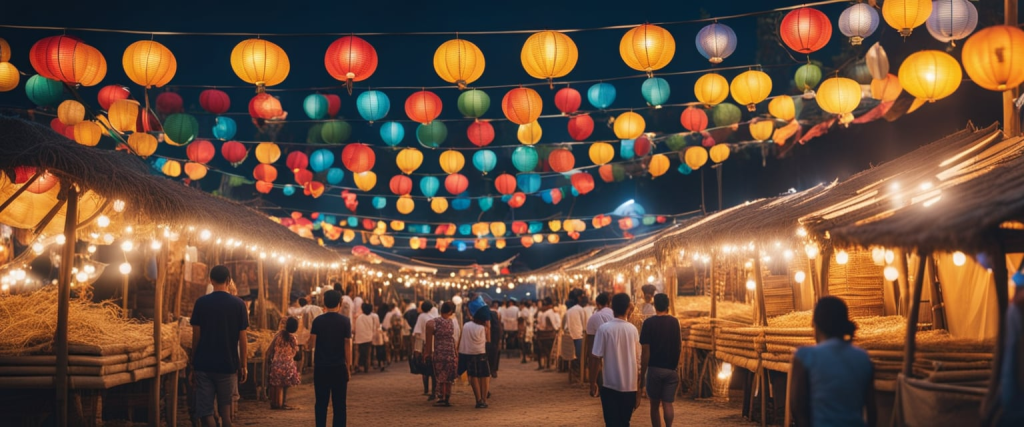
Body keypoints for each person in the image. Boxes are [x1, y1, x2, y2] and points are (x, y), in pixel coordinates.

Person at [789, 296, 876, 427]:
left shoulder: (805, 356)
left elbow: (798, 408)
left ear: (816, 326)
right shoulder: (863, 358)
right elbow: (872, 410)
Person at [190, 265, 248, 427]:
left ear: (211, 280)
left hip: (203, 364)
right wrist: (243, 365)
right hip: (227, 365)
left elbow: (196, 337)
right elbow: (242, 338)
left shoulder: (201, 303)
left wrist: (193, 363)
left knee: (205, 412)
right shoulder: (238, 304)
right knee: (226, 413)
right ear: (229, 281)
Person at [590, 293, 641, 427]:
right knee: (625, 422)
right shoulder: (633, 330)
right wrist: (639, 388)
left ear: (612, 308)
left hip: (610, 385)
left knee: (611, 423)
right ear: (629, 308)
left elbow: (596, 358)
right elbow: (638, 360)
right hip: (630, 386)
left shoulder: (604, 329)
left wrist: (592, 382)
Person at [308, 290, 352, 427]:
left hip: (321, 367)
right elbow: (347, 346)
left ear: (324, 303)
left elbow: (311, 344)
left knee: (321, 403)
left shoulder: (318, 321)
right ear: (339, 303)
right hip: (339, 367)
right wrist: (348, 367)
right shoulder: (345, 321)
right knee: (339, 404)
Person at [640, 294, 681, 427]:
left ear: (655, 305)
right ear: (667, 305)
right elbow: (679, 346)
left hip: (654, 369)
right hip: (671, 370)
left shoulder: (648, 323)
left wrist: (643, 374)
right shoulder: (675, 322)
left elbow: (645, 351)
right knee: (668, 403)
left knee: (654, 405)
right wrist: (675, 366)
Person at [424, 302, 458, 407]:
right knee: (449, 375)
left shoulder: (432, 323)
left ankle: (441, 396)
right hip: (450, 352)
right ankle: (447, 396)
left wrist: (427, 353)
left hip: (439, 352)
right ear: (451, 312)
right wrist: (456, 353)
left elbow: (428, 341)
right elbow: (455, 339)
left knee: (440, 375)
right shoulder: (453, 322)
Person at [460, 305, 491, 408]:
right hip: (481, 353)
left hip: (469, 353)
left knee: (473, 376)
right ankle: (484, 399)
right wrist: (488, 327)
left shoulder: (466, 325)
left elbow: (462, 339)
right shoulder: (484, 328)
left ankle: (478, 400)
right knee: (485, 376)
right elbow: (488, 340)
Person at [267, 317, 301, 410]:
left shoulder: (278, 335)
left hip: (276, 364)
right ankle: (282, 403)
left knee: (275, 384)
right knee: (284, 385)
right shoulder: (293, 338)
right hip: (288, 365)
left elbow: (270, 349)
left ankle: (275, 403)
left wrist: (269, 359)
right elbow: (295, 352)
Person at [586, 292, 614, 387]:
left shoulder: (593, 318)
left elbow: (591, 347)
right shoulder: (616, 314)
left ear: (597, 304)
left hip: (601, 353)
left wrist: (592, 380)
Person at [413, 301, 439, 400]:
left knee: (425, 368)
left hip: (424, 344)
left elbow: (417, 333)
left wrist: (416, 349)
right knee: (433, 369)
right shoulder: (432, 317)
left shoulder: (421, 317)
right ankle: (434, 390)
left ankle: (426, 389)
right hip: (433, 344)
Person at [565, 293, 588, 381]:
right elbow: (584, 324)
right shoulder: (581, 310)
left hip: (570, 336)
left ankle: (575, 375)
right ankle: (581, 376)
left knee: (572, 358)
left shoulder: (569, 311)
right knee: (581, 358)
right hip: (579, 336)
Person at [353, 303, 379, 374]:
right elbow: (374, 328)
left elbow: (355, 328)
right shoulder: (371, 318)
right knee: (367, 353)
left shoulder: (359, 317)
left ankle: (356, 365)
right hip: (368, 338)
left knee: (358, 352)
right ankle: (366, 367)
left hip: (359, 338)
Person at [535, 297, 560, 370]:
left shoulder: (548, 313)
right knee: (547, 350)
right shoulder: (548, 313)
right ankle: (547, 365)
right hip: (546, 334)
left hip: (545, 334)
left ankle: (547, 365)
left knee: (546, 350)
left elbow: (554, 324)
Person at [487, 300, 503, 379]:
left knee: (490, 353)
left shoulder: (487, 312)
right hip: (494, 335)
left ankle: (490, 369)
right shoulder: (497, 313)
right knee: (495, 353)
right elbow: (499, 325)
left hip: (490, 335)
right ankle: (493, 370)